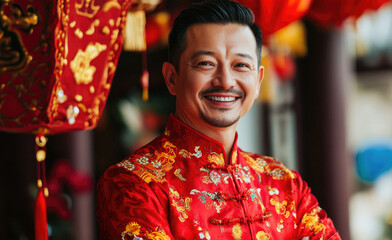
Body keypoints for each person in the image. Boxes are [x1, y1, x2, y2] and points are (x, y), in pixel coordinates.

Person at [97, 0, 341, 239]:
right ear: (172, 78)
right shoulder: (134, 184)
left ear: (257, 81)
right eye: (206, 63)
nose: (225, 81)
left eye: (241, 65)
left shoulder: (285, 183)